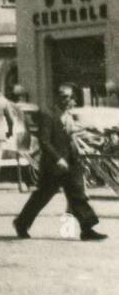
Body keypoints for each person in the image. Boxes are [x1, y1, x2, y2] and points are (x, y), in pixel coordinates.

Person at [14, 84, 106, 241]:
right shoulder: (48, 114)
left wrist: (87, 130)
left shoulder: (67, 114)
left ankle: (87, 229)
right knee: (42, 196)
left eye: (70, 97)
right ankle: (21, 223)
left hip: (71, 161)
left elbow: (68, 132)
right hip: (54, 165)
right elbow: (44, 141)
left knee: (77, 194)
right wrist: (58, 159)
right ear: (56, 97)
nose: (67, 100)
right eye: (64, 97)